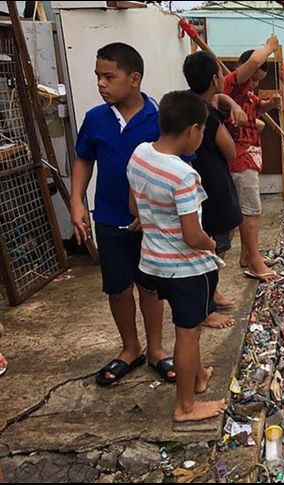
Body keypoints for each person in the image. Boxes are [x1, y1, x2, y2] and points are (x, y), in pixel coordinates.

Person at [70, 43, 175, 386]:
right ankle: (131, 349)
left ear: (134, 79)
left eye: (108, 76)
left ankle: (157, 349)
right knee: (117, 288)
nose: (100, 83)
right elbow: (84, 158)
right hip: (109, 219)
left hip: (149, 223)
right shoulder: (96, 119)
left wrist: (154, 211)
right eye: (98, 76)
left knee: (150, 288)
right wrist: (76, 201)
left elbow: (175, 168)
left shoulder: (158, 119)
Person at [127, 91, 227, 423]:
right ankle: (185, 407)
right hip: (184, 270)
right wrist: (211, 244)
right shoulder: (184, 176)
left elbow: (134, 207)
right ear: (193, 130)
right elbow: (192, 235)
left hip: (151, 263)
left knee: (189, 329)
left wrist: (154, 220)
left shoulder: (140, 154)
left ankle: (197, 377)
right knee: (189, 333)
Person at [183, 51, 246, 329]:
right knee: (215, 245)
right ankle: (206, 307)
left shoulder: (186, 105)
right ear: (214, 79)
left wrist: (227, 100)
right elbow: (230, 150)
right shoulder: (208, 116)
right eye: (220, 74)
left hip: (196, 186)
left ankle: (212, 294)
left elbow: (219, 99)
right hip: (213, 185)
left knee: (210, 243)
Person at [223, 37, 282, 282]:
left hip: (249, 158)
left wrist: (270, 104)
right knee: (251, 212)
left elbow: (258, 108)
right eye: (255, 77)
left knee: (247, 211)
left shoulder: (247, 94)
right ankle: (256, 263)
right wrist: (270, 46)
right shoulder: (233, 85)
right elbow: (256, 59)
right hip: (240, 158)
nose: (256, 83)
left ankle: (248, 256)